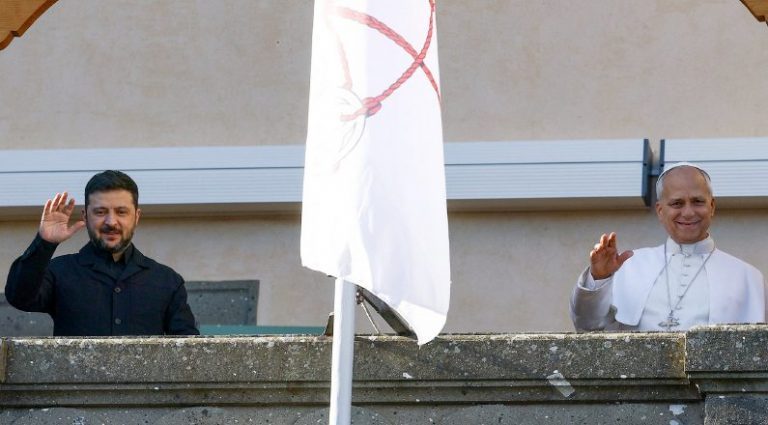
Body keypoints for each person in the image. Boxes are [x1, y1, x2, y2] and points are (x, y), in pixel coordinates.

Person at [570, 162, 766, 331]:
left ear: (712, 207)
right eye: (677, 203)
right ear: (660, 211)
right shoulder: (628, 266)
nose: (688, 213)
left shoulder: (748, 277)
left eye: (698, 202)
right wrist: (599, 279)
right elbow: (588, 328)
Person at [5, 170, 199, 336]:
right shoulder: (59, 271)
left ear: (136, 217)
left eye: (121, 212)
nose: (111, 222)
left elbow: (190, 351)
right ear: (85, 216)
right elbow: (19, 298)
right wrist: (44, 242)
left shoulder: (167, 281)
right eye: (100, 212)